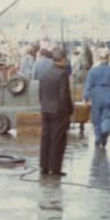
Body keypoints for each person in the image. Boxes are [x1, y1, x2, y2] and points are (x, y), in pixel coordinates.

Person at [38, 48, 74, 176]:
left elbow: (41, 94)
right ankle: (55, 168)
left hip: (45, 109)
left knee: (45, 138)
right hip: (58, 111)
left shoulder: (44, 73)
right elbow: (64, 95)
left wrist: (44, 106)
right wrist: (69, 110)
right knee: (57, 140)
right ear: (63, 59)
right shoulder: (62, 74)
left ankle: (44, 166)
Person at [84, 47, 110, 148]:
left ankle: (98, 138)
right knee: (107, 116)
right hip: (109, 94)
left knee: (96, 118)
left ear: (99, 58)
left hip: (96, 95)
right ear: (108, 58)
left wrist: (85, 98)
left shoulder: (93, 71)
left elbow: (87, 84)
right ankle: (105, 131)